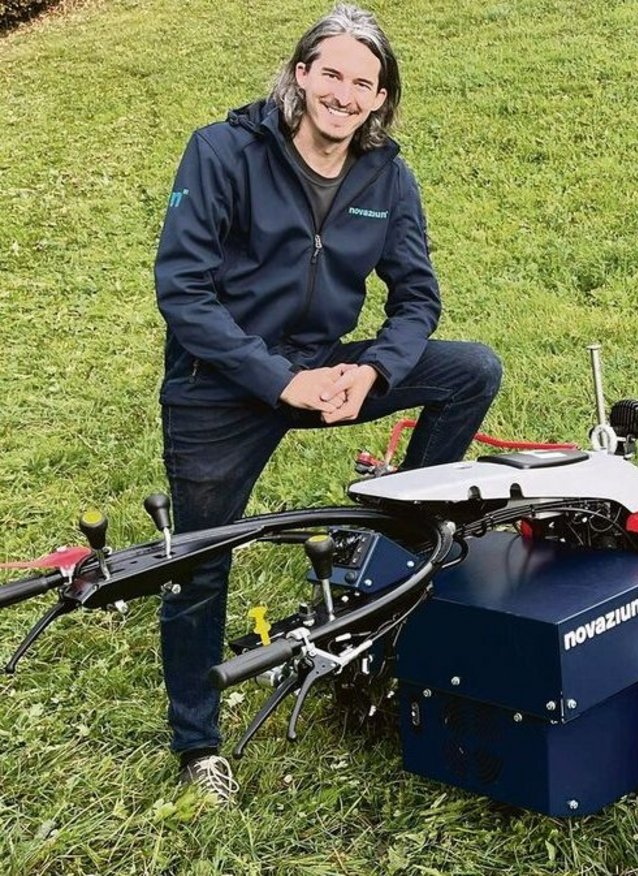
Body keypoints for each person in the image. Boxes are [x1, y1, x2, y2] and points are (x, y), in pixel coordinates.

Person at [153, 3, 502, 802]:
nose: (345, 94)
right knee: (200, 564)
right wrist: (276, 379)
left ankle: (406, 535)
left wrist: (373, 372)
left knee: (470, 370)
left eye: (364, 83)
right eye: (332, 74)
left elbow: (417, 298)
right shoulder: (222, 151)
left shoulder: (387, 173)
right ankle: (198, 744)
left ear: (382, 99)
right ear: (302, 74)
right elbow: (184, 291)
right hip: (223, 383)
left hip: (328, 368)